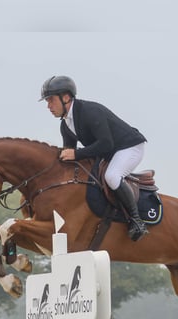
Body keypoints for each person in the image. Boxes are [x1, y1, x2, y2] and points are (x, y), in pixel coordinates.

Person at [39, 75, 148, 241]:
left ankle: (137, 221)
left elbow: (106, 144)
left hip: (129, 147)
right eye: (47, 101)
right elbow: (70, 157)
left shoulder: (90, 111)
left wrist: (76, 154)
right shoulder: (66, 125)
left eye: (51, 100)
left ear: (66, 97)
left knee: (111, 176)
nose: (48, 106)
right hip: (109, 152)